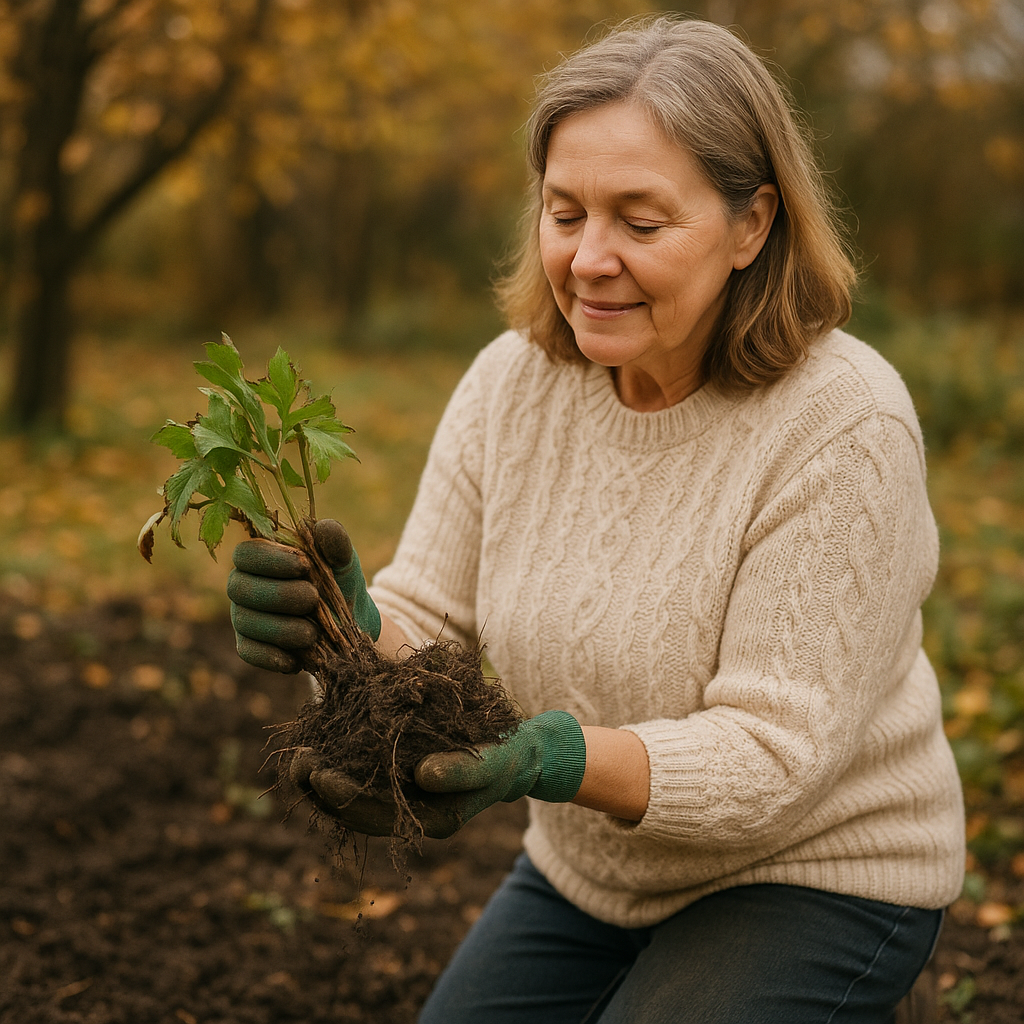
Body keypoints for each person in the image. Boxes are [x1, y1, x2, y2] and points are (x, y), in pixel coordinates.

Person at [226, 15, 965, 1023]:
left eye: (640, 222)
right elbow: (428, 614)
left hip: (815, 870)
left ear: (752, 224)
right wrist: (336, 622)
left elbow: (771, 757)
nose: (588, 260)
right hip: (589, 876)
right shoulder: (513, 383)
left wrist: (555, 758)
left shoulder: (843, 423)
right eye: (564, 212)